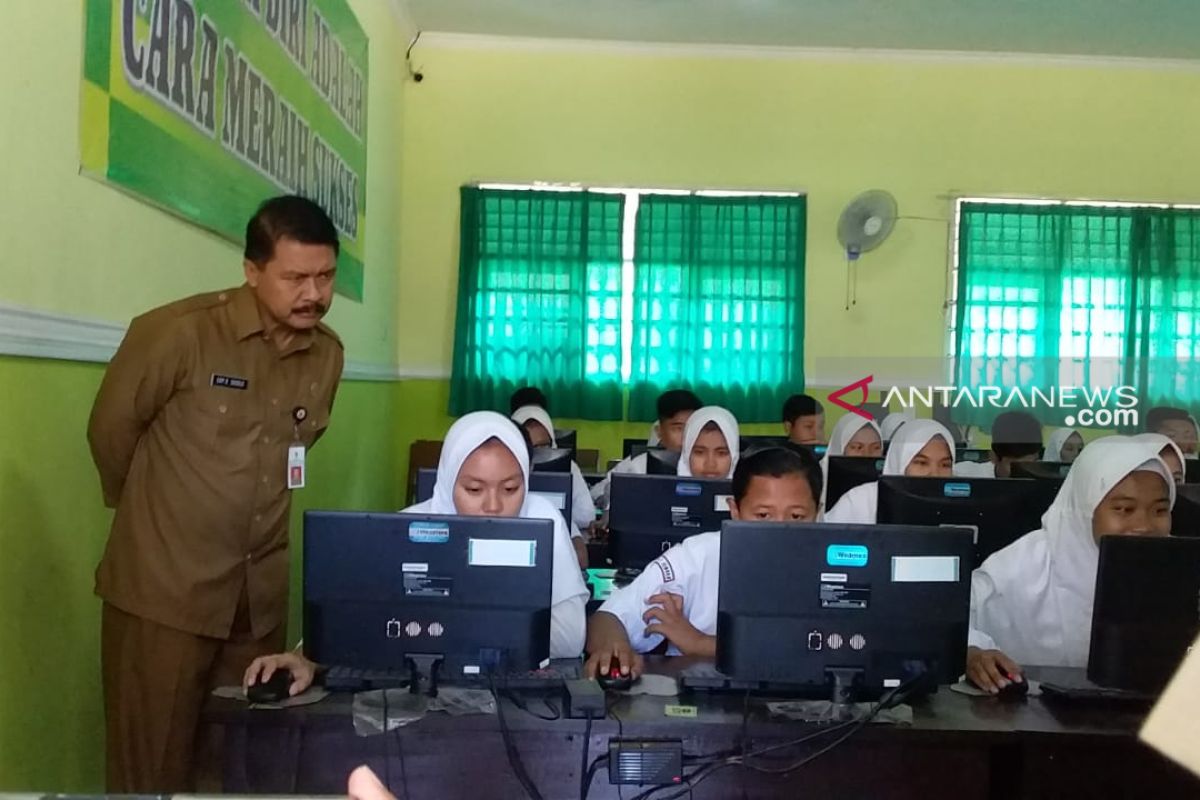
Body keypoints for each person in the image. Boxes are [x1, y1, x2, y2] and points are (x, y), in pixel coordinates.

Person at [86, 196, 343, 792]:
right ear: (252, 271)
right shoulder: (177, 334)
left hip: (255, 605)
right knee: (148, 773)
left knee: (239, 770)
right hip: (164, 596)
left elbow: (296, 451)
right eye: (296, 277)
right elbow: (110, 434)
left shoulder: (326, 354)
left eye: (325, 276)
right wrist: (162, 522)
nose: (313, 293)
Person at [244, 412, 590, 695]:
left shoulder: (542, 519)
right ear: (448, 480)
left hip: (515, 698)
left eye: (512, 488)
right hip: (417, 694)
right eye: (473, 488)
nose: (494, 505)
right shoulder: (408, 529)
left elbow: (571, 635)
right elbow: (348, 620)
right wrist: (304, 657)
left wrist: (437, 632)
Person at [583, 446, 823, 678]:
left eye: (796, 516)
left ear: (818, 512)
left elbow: (825, 650)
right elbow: (608, 618)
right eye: (763, 515)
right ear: (735, 510)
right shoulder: (697, 556)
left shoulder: (837, 565)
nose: (779, 529)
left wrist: (700, 644)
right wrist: (615, 648)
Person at [965, 437, 1174, 692]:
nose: (1145, 526)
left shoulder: (1180, 570)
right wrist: (972, 652)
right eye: (1124, 509)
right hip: (1033, 721)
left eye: (1160, 511)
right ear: (1084, 509)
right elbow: (953, 617)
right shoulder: (1021, 565)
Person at [823, 419, 956, 524]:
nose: (935, 474)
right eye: (921, 463)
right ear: (900, 461)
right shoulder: (860, 501)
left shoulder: (957, 505)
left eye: (945, 465)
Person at [511, 403, 595, 567]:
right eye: (532, 448)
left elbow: (581, 558)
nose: (539, 454)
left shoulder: (568, 469)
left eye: (544, 446)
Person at [590, 389, 703, 509]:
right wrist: (610, 505)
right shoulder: (639, 464)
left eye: (692, 428)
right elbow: (597, 492)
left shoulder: (710, 466)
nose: (686, 436)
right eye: (679, 429)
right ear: (659, 432)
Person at [818, 414, 883, 512]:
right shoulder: (815, 480)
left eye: (875, 448)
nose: (867, 454)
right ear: (840, 448)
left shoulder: (888, 485)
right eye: (857, 447)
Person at [953, 411, 1042, 479]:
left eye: (1028, 465)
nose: (1022, 473)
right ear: (993, 457)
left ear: (1037, 457)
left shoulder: (1047, 483)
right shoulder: (962, 475)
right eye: (1015, 466)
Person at [677, 406, 740, 479]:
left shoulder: (750, 490)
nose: (710, 464)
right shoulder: (664, 489)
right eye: (699, 452)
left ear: (734, 456)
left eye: (721, 453)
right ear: (686, 455)